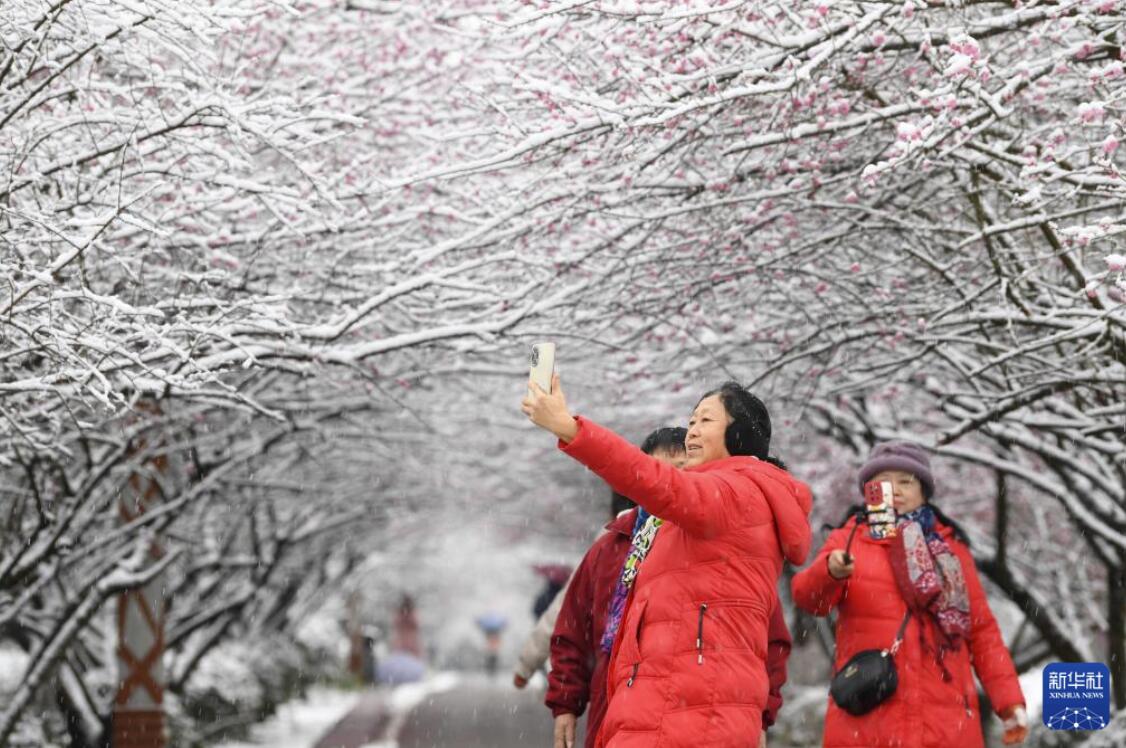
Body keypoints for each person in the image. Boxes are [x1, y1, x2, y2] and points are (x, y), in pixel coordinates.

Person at [523, 377, 813, 748]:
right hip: (668, 706)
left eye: (706, 421)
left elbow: (656, 482)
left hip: (691, 712)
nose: (691, 430)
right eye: (691, 420)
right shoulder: (689, 514)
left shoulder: (737, 493)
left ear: (740, 434)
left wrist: (570, 428)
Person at [791, 441, 1029, 748]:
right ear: (869, 492)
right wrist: (830, 571)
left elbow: (982, 631)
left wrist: (1009, 702)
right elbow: (809, 600)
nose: (896, 490)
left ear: (924, 492)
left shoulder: (951, 550)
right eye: (884, 482)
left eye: (906, 481)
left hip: (946, 721)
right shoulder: (847, 539)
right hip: (869, 720)